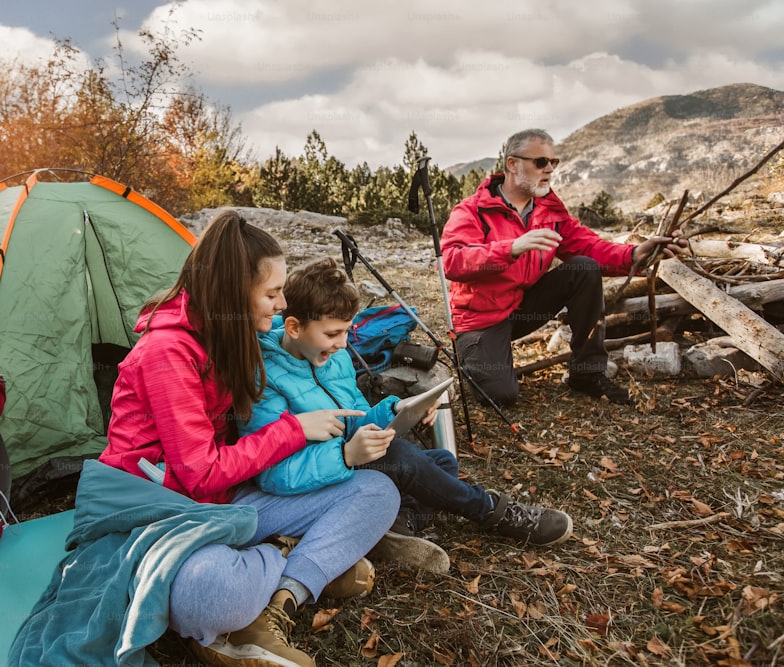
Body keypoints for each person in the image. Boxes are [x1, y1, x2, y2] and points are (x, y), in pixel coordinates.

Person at [98, 210, 401, 667]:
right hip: (165, 518)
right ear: (233, 293)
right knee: (214, 594)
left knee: (376, 491)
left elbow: (299, 350)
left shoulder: (228, 336)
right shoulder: (166, 354)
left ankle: (283, 594)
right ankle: (296, 556)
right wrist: (295, 430)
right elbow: (199, 475)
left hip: (225, 505)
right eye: (272, 293)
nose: (281, 306)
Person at [239, 257, 574, 569]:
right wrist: (345, 455)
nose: (343, 344)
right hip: (314, 487)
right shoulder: (264, 377)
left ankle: (397, 529)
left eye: (346, 331)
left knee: (441, 461)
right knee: (403, 456)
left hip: (351, 465)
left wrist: (398, 410)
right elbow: (272, 474)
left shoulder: (334, 358)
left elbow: (357, 418)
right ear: (295, 328)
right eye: (332, 334)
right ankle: (490, 510)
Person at [441, 128, 686, 407]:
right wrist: (511, 248)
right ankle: (476, 357)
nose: (549, 169)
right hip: (481, 320)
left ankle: (587, 374)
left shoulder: (549, 211)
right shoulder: (472, 211)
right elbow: (452, 261)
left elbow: (589, 246)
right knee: (500, 396)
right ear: (512, 164)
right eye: (540, 162)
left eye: (553, 162)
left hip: (522, 308)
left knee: (583, 268)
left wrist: (635, 255)